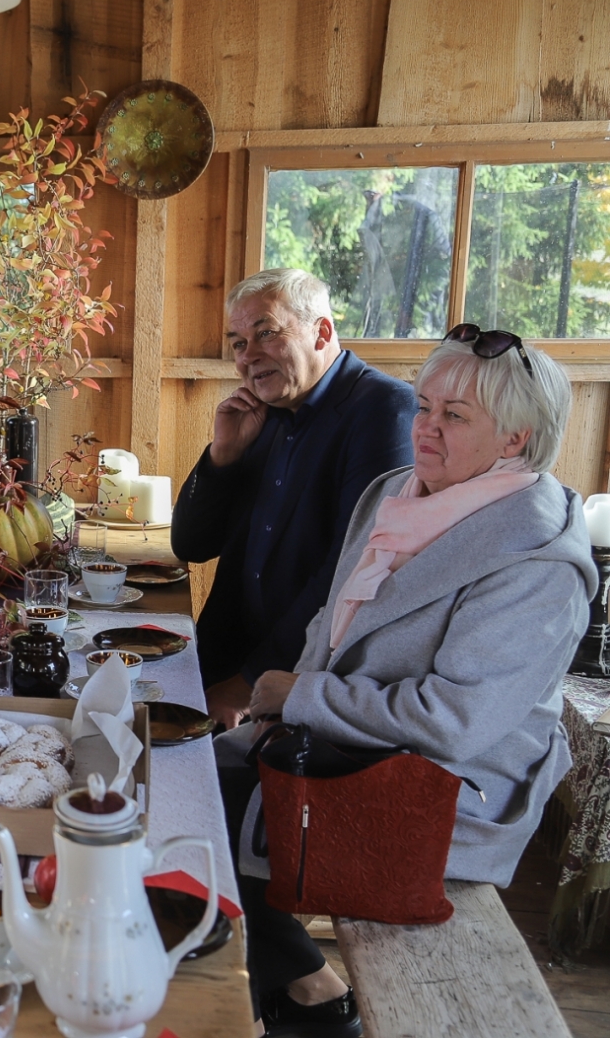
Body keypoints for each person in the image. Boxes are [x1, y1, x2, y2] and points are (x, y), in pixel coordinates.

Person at [222, 327, 592, 1037]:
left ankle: (311, 1001)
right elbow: (329, 622)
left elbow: (453, 721)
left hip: (445, 789)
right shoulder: (398, 493)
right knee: (178, 791)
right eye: (424, 407)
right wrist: (286, 699)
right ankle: (303, 987)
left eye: (454, 416)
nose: (425, 427)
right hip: (348, 744)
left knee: (197, 817)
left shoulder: (537, 563)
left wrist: (297, 697)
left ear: (515, 440)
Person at [171, 269, 418, 729]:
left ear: (321, 331)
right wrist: (221, 456)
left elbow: (351, 571)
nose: (249, 356)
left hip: (303, 680)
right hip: (223, 657)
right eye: (239, 343)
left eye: (266, 333)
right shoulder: (265, 411)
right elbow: (191, 545)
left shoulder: (384, 410)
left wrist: (247, 684)